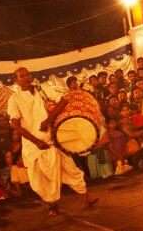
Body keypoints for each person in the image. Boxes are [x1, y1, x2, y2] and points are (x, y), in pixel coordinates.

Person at [7, 67, 97, 216]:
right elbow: (16, 125)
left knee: (71, 169)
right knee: (41, 179)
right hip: (34, 147)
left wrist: (49, 119)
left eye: (27, 74)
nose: (26, 78)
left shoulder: (42, 89)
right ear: (16, 81)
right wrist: (36, 142)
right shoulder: (14, 99)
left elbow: (64, 100)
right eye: (21, 76)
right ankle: (52, 205)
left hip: (51, 140)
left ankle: (87, 197)